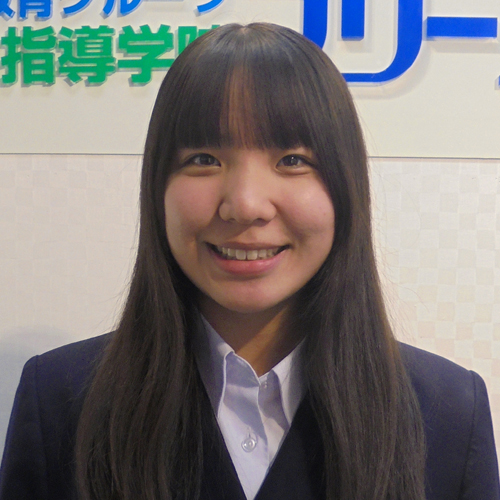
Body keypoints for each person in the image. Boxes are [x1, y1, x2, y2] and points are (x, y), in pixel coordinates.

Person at [0, 22, 498, 500]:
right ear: (157, 189)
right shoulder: (60, 401)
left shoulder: (450, 413)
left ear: (346, 190)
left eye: (292, 160)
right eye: (204, 160)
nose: (245, 204)